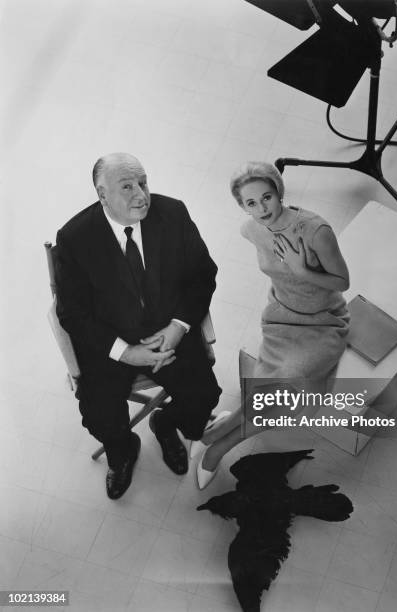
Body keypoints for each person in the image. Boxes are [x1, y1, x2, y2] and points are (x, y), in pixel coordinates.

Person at [56, 152, 221, 499]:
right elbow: (71, 311)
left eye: (143, 183)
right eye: (127, 186)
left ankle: (166, 423)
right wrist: (125, 352)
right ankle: (123, 450)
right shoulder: (74, 237)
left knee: (204, 397)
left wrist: (178, 327)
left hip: (167, 331)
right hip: (112, 340)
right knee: (99, 416)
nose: (141, 195)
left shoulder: (173, 213)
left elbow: (203, 275)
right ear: (102, 195)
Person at [195, 161, 350, 488]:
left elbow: (342, 282)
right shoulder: (250, 229)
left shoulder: (316, 230)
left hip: (322, 322)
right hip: (281, 316)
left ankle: (220, 440)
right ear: (241, 206)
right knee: (271, 387)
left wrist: (301, 268)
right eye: (250, 203)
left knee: (289, 388)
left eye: (267, 197)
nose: (261, 208)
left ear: (279, 193)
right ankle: (222, 433)